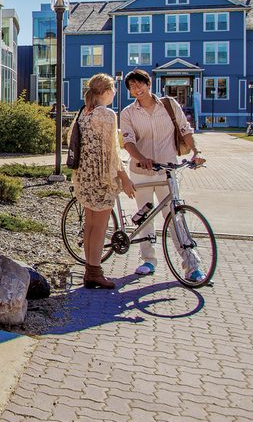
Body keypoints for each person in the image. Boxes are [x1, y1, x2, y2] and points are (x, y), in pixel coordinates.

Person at [120, 69, 206, 282]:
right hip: (142, 171)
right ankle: (148, 260)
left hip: (167, 170)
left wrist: (196, 152)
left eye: (139, 85)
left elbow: (185, 130)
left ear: (148, 84)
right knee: (145, 216)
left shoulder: (168, 105)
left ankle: (192, 265)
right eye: (132, 87)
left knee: (175, 216)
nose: (136, 90)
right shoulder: (128, 113)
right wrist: (141, 157)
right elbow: (128, 142)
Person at [71, 73, 136, 289]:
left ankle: (90, 270)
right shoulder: (106, 115)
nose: (115, 95)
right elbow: (112, 152)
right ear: (106, 92)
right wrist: (124, 177)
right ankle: (95, 272)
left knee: (90, 225)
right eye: (114, 91)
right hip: (101, 178)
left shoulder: (84, 114)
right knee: (99, 227)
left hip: (85, 176)